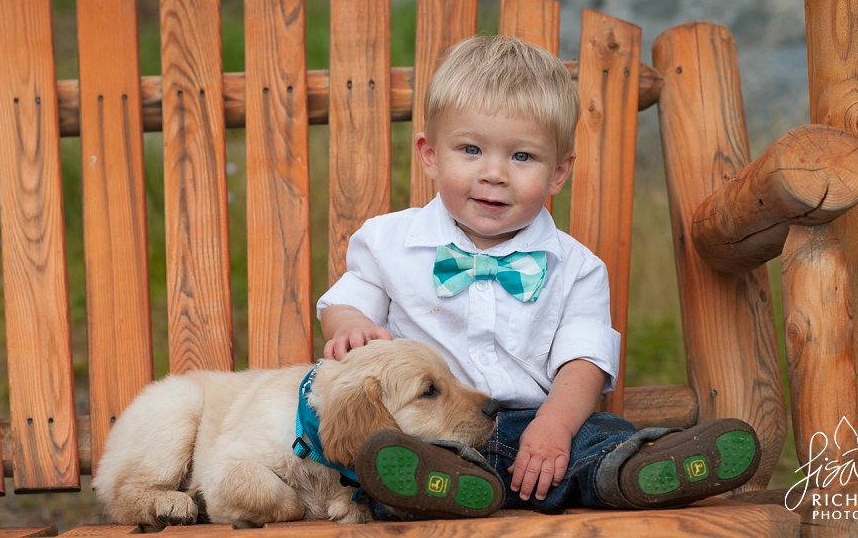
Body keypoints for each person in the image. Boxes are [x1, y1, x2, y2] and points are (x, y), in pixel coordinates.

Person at [316, 34, 760, 519]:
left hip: (539, 432)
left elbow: (582, 364)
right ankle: (437, 488)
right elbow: (345, 302)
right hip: (436, 428)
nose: (494, 174)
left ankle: (641, 469)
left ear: (558, 173)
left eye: (522, 157)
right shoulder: (387, 242)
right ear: (429, 154)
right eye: (470, 149)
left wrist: (555, 426)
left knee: (601, 438)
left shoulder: (577, 268)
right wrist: (349, 326)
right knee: (389, 458)